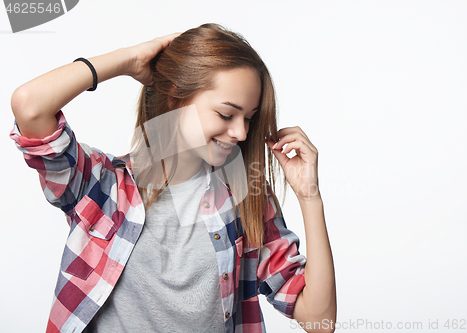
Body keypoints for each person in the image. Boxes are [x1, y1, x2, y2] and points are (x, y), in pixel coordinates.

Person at [10, 23, 336, 333]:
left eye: (248, 118)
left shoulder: (246, 198)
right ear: (176, 98)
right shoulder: (100, 185)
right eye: (226, 114)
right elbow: (30, 105)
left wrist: (310, 197)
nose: (240, 132)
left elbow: (319, 320)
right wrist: (129, 60)